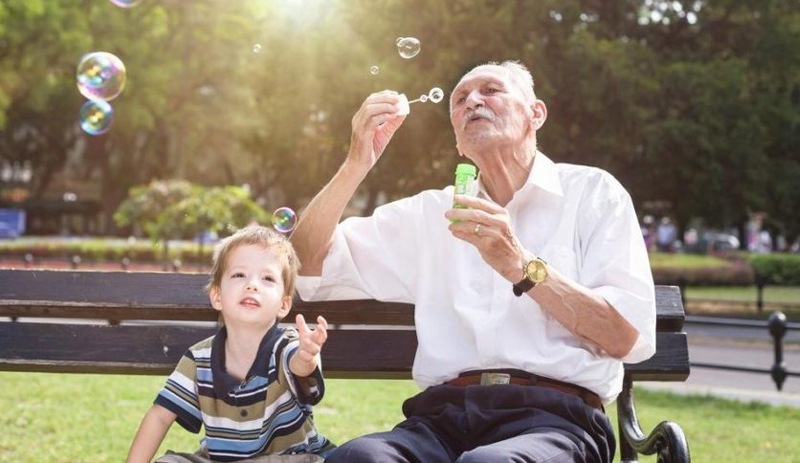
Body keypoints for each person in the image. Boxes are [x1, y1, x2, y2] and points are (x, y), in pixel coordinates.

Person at [290, 60, 656, 463]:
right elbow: (306, 262)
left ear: (536, 113)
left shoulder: (593, 194)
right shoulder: (429, 214)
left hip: (557, 419)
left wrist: (521, 265)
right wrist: (356, 162)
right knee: (359, 458)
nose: (472, 102)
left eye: (491, 90)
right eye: (460, 100)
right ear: (459, 144)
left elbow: (625, 336)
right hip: (442, 418)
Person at [127, 225, 334, 463]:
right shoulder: (199, 359)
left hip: (289, 457)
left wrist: (307, 357)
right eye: (239, 275)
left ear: (283, 305)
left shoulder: (285, 346)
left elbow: (298, 363)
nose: (252, 284)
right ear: (217, 296)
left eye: (267, 278)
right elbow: (160, 416)